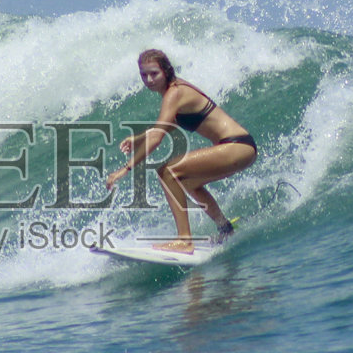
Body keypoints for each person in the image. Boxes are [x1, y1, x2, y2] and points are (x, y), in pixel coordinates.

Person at [104, 48, 257, 253]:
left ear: (166, 71)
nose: (148, 79)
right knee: (187, 181)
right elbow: (167, 125)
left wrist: (126, 169)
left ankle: (184, 241)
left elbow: (158, 137)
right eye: (144, 75)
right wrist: (139, 138)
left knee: (167, 172)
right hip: (239, 147)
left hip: (236, 145)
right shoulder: (174, 90)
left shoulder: (174, 93)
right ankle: (225, 228)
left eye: (153, 73)